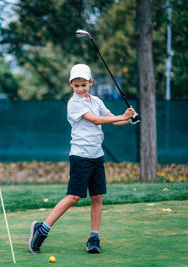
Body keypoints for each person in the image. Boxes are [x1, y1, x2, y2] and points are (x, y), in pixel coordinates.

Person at [28, 64, 136, 254]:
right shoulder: (74, 103)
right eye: (76, 85)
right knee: (74, 196)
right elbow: (95, 120)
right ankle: (42, 229)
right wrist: (122, 116)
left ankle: (94, 238)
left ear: (90, 82)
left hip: (97, 156)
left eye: (83, 84)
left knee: (97, 197)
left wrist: (130, 118)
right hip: (80, 156)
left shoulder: (96, 101)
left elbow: (113, 119)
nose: (80, 88)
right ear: (71, 84)